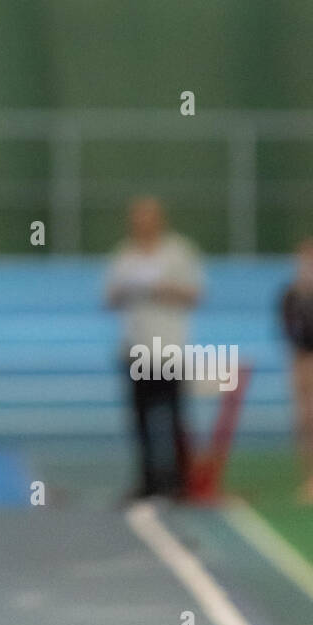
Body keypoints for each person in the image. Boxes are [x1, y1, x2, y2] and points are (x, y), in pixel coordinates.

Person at [105, 197, 203, 500]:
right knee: (140, 418)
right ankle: (148, 481)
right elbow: (109, 297)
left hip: (168, 346)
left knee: (174, 417)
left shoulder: (178, 252)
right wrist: (127, 290)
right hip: (137, 347)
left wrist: (163, 289)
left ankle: (178, 482)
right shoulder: (125, 254)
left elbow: (195, 293)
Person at [280, 238, 313, 504]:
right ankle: (310, 477)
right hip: (299, 359)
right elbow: (286, 328)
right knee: (303, 420)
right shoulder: (290, 296)